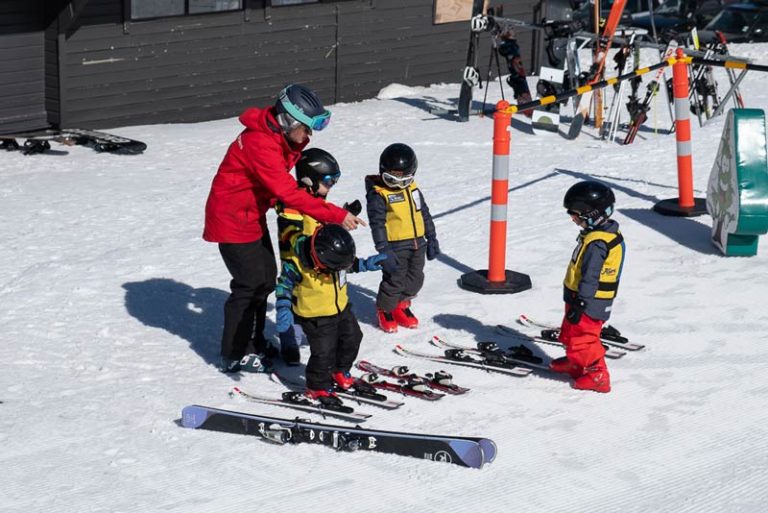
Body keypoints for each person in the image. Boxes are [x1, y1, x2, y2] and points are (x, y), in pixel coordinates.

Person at [203, 84, 365, 373]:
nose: (309, 135)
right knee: (249, 285)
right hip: (232, 219)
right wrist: (335, 215)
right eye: (306, 128)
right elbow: (288, 192)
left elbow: (282, 187)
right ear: (288, 122)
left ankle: (254, 341)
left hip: (249, 215)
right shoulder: (261, 144)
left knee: (264, 280)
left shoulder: (275, 136)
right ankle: (234, 353)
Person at [274, 223, 386, 406]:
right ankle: (317, 385)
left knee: (352, 338)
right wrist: (283, 307)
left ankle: (340, 370)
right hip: (315, 316)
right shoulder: (296, 264)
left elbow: (349, 265)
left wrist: (367, 264)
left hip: (341, 309)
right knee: (324, 352)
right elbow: (283, 285)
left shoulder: (335, 258)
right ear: (320, 259)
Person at [275, 147, 362, 365]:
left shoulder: (315, 199)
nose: (331, 188)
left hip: (317, 264)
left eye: (334, 183)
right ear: (309, 178)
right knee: (295, 305)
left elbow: (322, 222)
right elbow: (289, 234)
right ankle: (289, 340)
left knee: (309, 307)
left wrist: (344, 213)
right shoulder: (293, 205)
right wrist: (306, 247)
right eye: (328, 182)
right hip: (296, 265)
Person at [550, 181, 625, 393]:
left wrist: (581, 302)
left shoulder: (598, 243)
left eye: (575, 214)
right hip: (578, 297)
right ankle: (576, 363)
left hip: (589, 301)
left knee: (583, 339)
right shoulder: (596, 236)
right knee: (570, 333)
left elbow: (591, 277)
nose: (573, 218)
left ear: (593, 214)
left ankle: (597, 375)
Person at [365, 143, 440, 333]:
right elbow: (377, 223)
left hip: (418, 242)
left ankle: (401, 304)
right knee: (394, 279)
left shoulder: (413, 189)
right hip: (395, 245)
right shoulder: (380, 194)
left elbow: (424, 214)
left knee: (416, 279)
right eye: (393, 178)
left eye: (404, 179)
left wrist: (432, 238)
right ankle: (386, 309)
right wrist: (384, 250)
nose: (398, 184)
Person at [497, 27, 533, 116]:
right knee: (519, 83)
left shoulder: (510, 44)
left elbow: (503, 50)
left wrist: (500, 42)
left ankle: (526, 104)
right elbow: (503, 51)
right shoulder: (511, 44)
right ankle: (524, 102)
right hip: (515, 69)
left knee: (520, 83)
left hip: (516, 69)